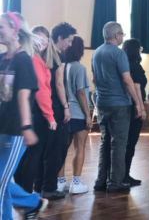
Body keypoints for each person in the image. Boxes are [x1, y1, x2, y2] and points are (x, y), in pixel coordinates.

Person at [0, 12, 48, 219]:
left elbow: (23, 96)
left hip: (16, 131)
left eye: (1, 26)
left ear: (15, 31)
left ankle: (30, 204)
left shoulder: (24, 60)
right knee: (2, 183)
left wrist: (27, 128)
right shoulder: (2, 59)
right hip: (1, 128)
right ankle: (32, 203)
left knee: (1, 183)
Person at [92, 22, 146, 193]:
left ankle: (101, 181)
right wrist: (137, 103)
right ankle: (115, 182)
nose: (122, 37)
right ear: (116, 35)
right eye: (122, 34)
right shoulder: (118, 53)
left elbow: (94, 80)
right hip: (119, 104)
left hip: (102, 102)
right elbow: (127, 80)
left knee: (104, 142)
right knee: (119, 144)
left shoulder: (96, 53)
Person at [13, 26, 59, 194]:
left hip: (29, 112)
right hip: (37, 113)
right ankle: (25, 196)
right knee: (33, 156)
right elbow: (41, 91)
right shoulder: (34, 60)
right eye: (37, 38)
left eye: (44, 39)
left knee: (26, 156)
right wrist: (50, 117)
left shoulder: (30, 58)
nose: (41, 42)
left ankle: (23, 194)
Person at [34, 22, 76, 200]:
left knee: (42, 149)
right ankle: (49, 187)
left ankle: (39, 186)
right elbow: (59, 85)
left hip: (38, 108)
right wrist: (66, 108)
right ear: (59, 39)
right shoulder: (58, 58)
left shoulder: (37, 57)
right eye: (69, 40)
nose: (70, 44)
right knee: (57, 149)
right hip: (54, 108)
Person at [62, 36, 92, 194]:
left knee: (62, 149)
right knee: (79, 148)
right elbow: (81, 93)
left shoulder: (63, 66)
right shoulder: (79, 68)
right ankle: (76, 183)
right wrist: (88, 115)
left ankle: (60, 182)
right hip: (78, 113)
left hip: (65, 112)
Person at [122, 39, 147, 185]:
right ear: (136, 50)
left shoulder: (124, 66)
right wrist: (141, 108)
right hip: (134, 108)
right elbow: (137, 89)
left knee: (124, 143)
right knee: (130, 143)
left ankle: (121, 173)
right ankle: (125, 174)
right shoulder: (136, 67)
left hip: (125, 107)